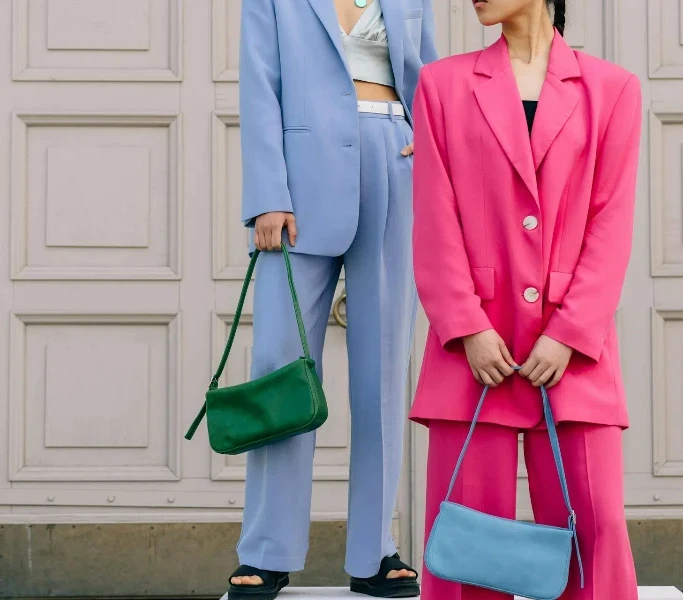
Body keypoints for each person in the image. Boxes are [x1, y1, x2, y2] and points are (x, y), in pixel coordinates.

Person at [409, 0, 641, 598]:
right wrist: (465, 324)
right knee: (468, 551)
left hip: (573, 354)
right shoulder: (442, 84)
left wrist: (570, 330)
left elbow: (610, 224)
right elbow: (435, 217)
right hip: (474, 354)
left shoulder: (612, 90)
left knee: (597, 537)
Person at [229, 0, 438, 598]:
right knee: (281, 366)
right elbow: (259, 81)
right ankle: (267, 550)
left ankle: (375, 551)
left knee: (381, 368)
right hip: (299, 181)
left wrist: (429, 142)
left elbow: (427, 73)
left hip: (393, 166)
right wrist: (267, 192)